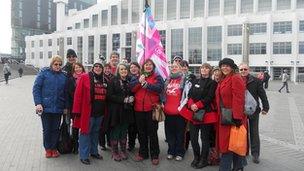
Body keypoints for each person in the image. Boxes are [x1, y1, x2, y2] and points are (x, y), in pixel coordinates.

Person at [180, 63, 218, 168]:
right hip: (194, 113)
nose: (204, 69)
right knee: (193, 137)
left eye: (206, 68)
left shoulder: (213, 83)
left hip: (206, 114)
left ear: (210, 71)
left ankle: (203, 159)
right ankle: (196, 157)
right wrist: (191, 104)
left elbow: (209, 97)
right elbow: (190, 94)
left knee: (204, 138)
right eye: (202, 68)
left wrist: (197, 104)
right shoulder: (195, 81)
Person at [73, 59, 107, 165]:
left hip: (100, 112)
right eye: (96, 66)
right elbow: (78, 95)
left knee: (95, 133)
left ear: (102, 69)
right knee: (85, 133)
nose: (98, 68)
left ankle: (94, 151)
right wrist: (77, 111)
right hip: (88, 112)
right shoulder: (85, 77)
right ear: (93, 67)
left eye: (100, 67)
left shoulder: (104, 79)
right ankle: (84, 155)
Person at [32, 55, 67, 158]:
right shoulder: (44, 73)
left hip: (58, 108)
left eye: (60, 64)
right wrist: (38, 103)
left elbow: (65, 93)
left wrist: (65, 107)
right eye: (56, 64)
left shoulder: (63, 76)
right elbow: (36, 88)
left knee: (55, 129)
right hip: (45, 108)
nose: (58, 66)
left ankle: (54, 148)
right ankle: (48, 149)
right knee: (47, 129)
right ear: (51, 64)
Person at [130, 59, 164, 165]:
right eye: (146, 65)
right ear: (143, 67)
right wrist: (139, 82)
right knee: (141, 133)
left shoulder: (157, 77)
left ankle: (155, 154)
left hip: (151, 109)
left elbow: (159, 88)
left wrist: (147, 85)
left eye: (150, 65)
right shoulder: (137, 77)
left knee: (152, 133)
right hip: (139, 109)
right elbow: (132, 89)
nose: (148, 66)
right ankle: (143, 153)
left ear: (153, 67)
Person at [216, 58, 247, 171]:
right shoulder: (224, 79)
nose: (224, 67)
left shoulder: (235, 78)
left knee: (230, 145)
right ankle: (239, 166)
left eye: (227, 65)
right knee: (232, 143)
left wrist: (237, 117)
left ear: (232, 67)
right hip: (225, 116)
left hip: (233, 117)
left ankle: (226, 168)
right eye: (223, 65)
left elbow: (239, 98)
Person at [239, 63, 270, 164]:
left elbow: (262, 95)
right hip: (241, 111)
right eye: (241, 69)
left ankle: (255, 154)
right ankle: (244, 151)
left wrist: (266, 108)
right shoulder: (236, 80)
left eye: (245, 69)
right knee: (242, 132)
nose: (243, 71)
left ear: (249, 70)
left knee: (254, 132)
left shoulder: (256, 81)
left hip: (254, 111)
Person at [107, 63, 135, 161]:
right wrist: (123, 99)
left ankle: (123, 150)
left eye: (125, 69)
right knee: (116, 130)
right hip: (116, 111)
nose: (124, 71)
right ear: (118, 70)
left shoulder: (128, 81)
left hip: (126, 110)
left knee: (124, 130)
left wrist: (132, 98)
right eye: (122, 69)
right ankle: (115, 152)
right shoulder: (113, 81)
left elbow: (131, 93)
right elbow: (109, 96)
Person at [163, 61, 186, 161]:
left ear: (181, 68)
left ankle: (180, 152)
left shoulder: (184, 80)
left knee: (180, 134)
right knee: (169, 134)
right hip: (168, 112)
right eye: (172, 67)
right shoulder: (167, 79)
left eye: (176, 66)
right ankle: (171, 151)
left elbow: (187, 96)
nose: (174, 68)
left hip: (180, 113)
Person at [66, 62, 85, 154]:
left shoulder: (86, 78)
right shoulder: (71, 79)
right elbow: (70, 93)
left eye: (79, 67)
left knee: (84, 125)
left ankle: (83, 145)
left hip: (84, 106)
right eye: (76, 68)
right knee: (75, 126)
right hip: (75, 106)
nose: (78, 69)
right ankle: (75, 146)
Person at [179, 60, 196, 151]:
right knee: (181, 126)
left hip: (187, 104)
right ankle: (181, 144)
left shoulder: (192, 77)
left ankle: (185, 145)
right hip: (178, 104)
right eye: (182, 66)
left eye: (185, 66)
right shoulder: (176, 77)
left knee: (187, 126)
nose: (184, 68)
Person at [99, 63, 114, 150]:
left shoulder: (113, 77)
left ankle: (109, 141)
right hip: (102, 103)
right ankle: (101, 143)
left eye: (108, 68)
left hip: (110, 104)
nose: (107, 70)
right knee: (102, 125)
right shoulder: (100, 77)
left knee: (109, 125)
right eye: (105, 68)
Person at [127, 62, 141, 151]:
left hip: (140, 105)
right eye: (131, 67)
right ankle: (131, 144)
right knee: (131, 127)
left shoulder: (143, 77)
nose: (133, 69)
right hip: (131, 106)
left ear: (139, 68)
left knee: (140, 127)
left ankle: (142, 145)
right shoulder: (128, 78)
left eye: (135, 67)